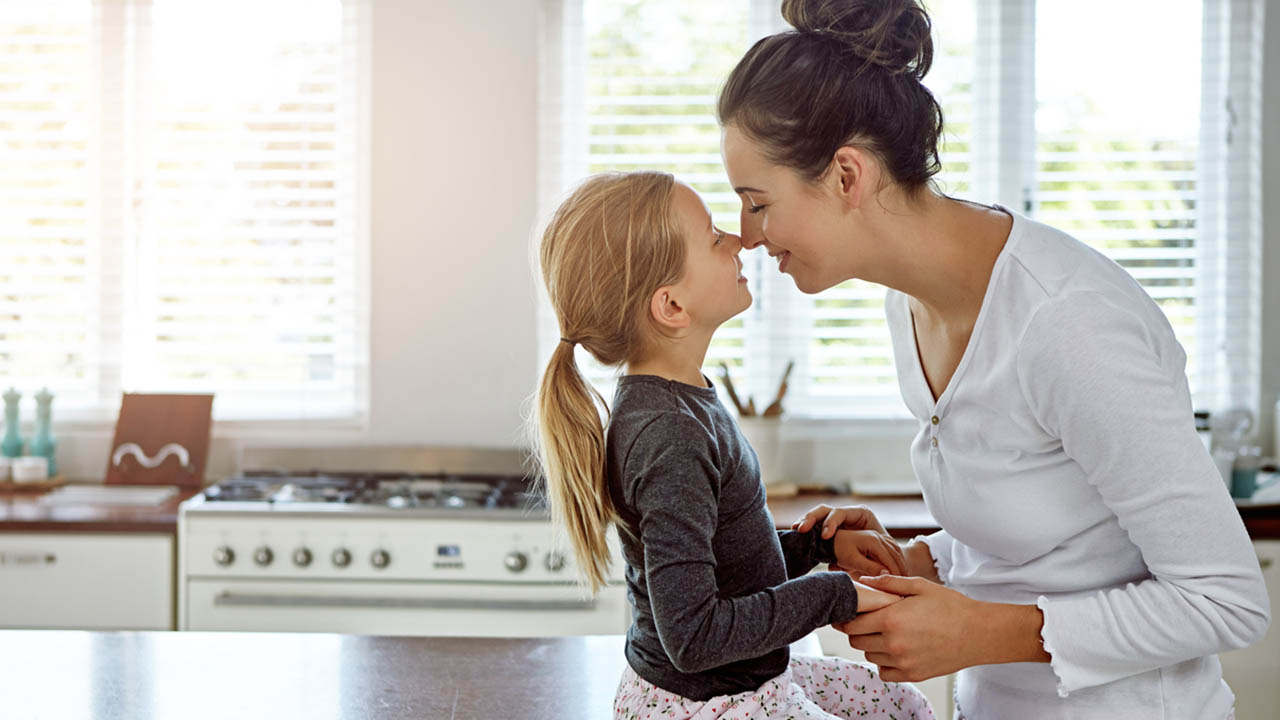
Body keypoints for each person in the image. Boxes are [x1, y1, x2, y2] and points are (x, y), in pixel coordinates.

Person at [715, 0, 1271, 717]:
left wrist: (980, 631)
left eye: (757, 202)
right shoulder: (909, 305)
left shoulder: (1068, 324)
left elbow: (1226, 600)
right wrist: (919, 560)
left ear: (847, 176)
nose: (746, 235)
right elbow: (1054, 537)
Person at [530, 170, 934, 719]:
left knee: (900, 705)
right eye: (714, 235)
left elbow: (727, 569)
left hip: (738, 687)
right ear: (671, 307)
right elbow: (694, 636)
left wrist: (814, 549)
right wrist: (835, 594)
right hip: (709, 705)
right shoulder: (669, 435)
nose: (740, 239)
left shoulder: (681, 402)